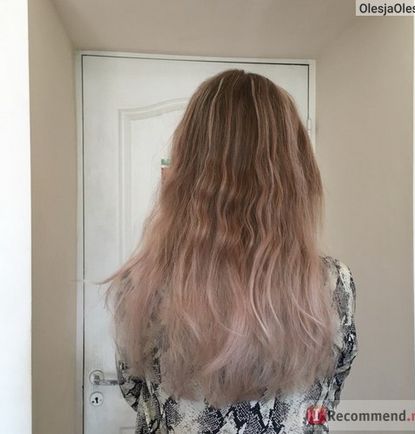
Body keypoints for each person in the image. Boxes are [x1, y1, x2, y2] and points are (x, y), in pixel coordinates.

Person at [101, 69, 358, 433]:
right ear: (296, 172)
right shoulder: (332, 283)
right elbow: (327, 396)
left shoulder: (140, 284)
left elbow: (138, 394)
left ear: (187, 169)